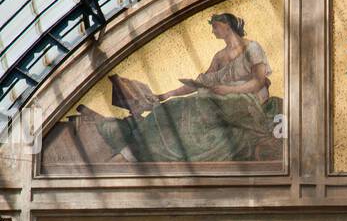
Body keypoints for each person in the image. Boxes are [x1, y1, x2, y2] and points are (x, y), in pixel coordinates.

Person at [77, 14, 281, 162]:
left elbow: (259, 81)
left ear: (227, 25)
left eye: (215, 27)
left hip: (248, 101)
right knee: (175, 105)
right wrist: (165, 95)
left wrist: (229, 90)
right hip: (222, 99)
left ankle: (137, 149)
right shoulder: (219, 57)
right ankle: (139, 145)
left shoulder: (252, 48)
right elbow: (200, 83)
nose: (213, 31)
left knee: (197, 104)